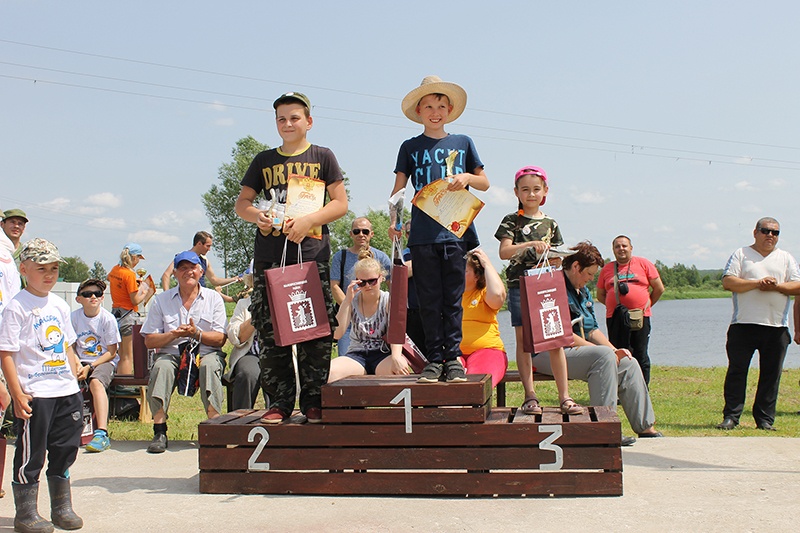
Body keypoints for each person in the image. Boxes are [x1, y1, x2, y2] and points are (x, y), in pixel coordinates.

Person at [235, 91, 348, 424]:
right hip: (270, 256)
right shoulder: (263, 161)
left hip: (312, 255)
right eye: (281, 118)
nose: (288, 124)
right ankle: (280, 402)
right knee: (271, 330)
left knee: (314, 329)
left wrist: (310, 220)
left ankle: (313, 400)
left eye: (294, 117)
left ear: (308, 122)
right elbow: (242, 203)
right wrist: (258, 216)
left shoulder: (322, 156)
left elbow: (340, 203)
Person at [390, 75, 489, 384]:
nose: (435, 112)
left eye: (441, 106)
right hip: (421, 234)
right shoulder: (409, 147)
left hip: (456, 231)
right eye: (429, 106)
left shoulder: (463, 143)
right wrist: (394, 222)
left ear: (450, 110)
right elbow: (398, 190)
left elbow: (484, 182)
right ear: (419, 112)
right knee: (429, 298)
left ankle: (453, 358)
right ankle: (434, 359)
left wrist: (467, 179)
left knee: (453, 297)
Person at [531, 241, 662, 445]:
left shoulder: (581, 291)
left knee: (628, 361)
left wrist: (615, 350)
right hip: (547, 354)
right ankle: (603, 429)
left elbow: (591, 329)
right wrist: (603, 352)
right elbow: (562, 334)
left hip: (576, 354)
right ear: (576, 267)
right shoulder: (551, 287)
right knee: (603, 357)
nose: (592, 279)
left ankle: (645, 427)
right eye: (590, 274)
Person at [0, 238, 84, 531]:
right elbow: (6, 353)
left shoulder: (60, 304)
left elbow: (68, 344)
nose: (49, 274)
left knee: (65, 448)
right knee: (32, 453)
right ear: (23, 269)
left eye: (54, 268)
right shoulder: (16, 308)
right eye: (41, 268)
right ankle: (26, 513)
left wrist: (74, 369)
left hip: (65, 391)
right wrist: (16, 392)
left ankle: (62, 506)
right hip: (36, 394)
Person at [495, 165, 581, 416]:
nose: (531, 194)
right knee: (523, 342)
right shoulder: (512, 220)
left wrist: (555, 259)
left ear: (545, 191)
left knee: (556, 340)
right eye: (525, 190)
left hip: (547, 286)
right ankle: (529, 395)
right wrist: (531, 244)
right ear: (516, 192)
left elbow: (559, 255)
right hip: (519, 285)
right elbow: (504, 252)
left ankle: (565, 396)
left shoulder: (551, 223)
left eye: (535, 189)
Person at [716, 217, 800, 431]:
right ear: (755, 232)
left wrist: (776, 286)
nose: (770, 235)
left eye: (775, 232)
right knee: (737, 371)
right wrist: (757, 283)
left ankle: (764, 419)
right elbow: (728, 282)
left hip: (776, 328)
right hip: (743, 325)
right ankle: (731, 417)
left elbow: (797, 285)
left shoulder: (786, 258)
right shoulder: (741, 254)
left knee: (771, 375)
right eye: (765, 231)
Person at [141, 251, 227, 453]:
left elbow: (220, 339)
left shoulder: (214, 298)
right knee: (161, 367)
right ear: (175, 274)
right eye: (182, 268)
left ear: (201, 271)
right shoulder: (161, 300)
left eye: (193, 268)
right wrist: (173, 335)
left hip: (206, 352)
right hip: (171, 353)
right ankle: (159, 430)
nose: (188, 272)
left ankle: (213, 430)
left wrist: (196, 333)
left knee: (210, 365)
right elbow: (149, 340)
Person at [328, 249, 410, 382]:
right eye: (362, 282)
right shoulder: (352, 300)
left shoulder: (388, 300)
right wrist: (347, 301)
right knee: (330, 372)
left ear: (381, 278)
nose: (368, 286)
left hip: (383, 354)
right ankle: (351, 403)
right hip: (357, 355)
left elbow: (397, 332)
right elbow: (337, 334)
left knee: (400, 368)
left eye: (372, 281)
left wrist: (396, 357)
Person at [596, 235, 665, 386]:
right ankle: (621, 388)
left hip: (640, 317)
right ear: (613, 250)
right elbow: (600, 295)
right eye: (617, 246)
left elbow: (659, 288)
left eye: (624, 246)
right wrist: (614, 308)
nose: (621, 249)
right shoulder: (607, 269)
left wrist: (646, 305)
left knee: (640, 353)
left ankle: (642, 389)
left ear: (631, 248)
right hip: (615, 318)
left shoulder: (644, 264)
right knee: (618, 353)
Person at [70, 278, 120, 453]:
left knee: (95, 383)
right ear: (78, 299)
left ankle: (101, 432)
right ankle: (63, 429)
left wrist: (90, 367)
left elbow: (112, 352)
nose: (93, 296)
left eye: (97, 293)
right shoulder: (74, 317)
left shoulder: (107, 319)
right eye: (87, 294)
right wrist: (77, 364)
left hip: (104, 361)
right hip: (79, 360)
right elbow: (71, 347)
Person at [330, 217, 392, 355]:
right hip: (348, 321)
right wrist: (352, 308)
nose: (361, 234)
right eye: (357, 231)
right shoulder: (341, 256)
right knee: (347, 362)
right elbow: (334, 286)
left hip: (377, 322)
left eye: (365, 231)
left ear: (371, 234)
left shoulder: (382, 257)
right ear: (351, 234)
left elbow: (391, 284)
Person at [459, 248, 508, 388]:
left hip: (488, 350)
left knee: (475, 385)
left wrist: (487, 264)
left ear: (477, 276)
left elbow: (498, 296)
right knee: (448, 385)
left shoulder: (484, 293)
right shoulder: (450, 295)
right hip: (454, 354)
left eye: (464, 270)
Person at [107, 242, 153, 375]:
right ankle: (124, 385)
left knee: (119, 353)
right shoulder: (130, 274)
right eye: (138, 258)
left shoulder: (115, 269)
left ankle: (118, 382)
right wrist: (144, 290)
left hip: (115, 313)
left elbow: (110, 279)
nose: (138, 261)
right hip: (128, 314)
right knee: (127, 356)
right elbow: (135, 300)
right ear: (134, 257)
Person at [160, 231, 241, 302]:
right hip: (184, 298)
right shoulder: (181, 258)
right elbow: (166, 275)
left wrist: (234, 279)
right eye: (207, 246)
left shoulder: (205, 260)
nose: (209, 249)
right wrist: (168, 297)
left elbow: (214, 280)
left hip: (201, 298)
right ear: (199, 244)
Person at [225, 270, 262, 411]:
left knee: (278, 376)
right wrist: (255, 315)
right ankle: (239, 422)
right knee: (247, 373)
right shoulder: (243, 304)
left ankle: (278, 427)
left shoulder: (284, 301)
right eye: (258, 278)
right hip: (251, 353)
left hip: (277, 355)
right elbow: (235, 337)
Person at [402, 220, 426, 353]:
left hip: (435, 311)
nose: (413, 235)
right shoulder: (403, 254)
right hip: (413, 312)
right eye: (409, 232)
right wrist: (425, 260)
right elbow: (402, 273)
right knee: (420, 356)